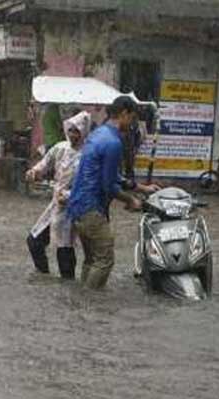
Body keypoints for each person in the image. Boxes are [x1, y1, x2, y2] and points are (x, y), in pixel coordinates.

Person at [66, 96, 159, 289]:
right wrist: (131, 200)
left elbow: (112, 175)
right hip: (91, 208)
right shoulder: (114, 143)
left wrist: (141, 188)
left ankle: (81, 303)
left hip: (76, 206)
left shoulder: (98, 134)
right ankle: (90, 302)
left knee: (92, 260)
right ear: (124, 114)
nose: (133, 124)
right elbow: (109, 186)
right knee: (105, 259)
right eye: (133, 118)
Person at [26, 111, 92, 279]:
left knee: (65, 248)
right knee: (34, 240)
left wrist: (69, 195)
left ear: (84, 132)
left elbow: (89, 185)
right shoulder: (60, 147)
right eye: (70, 130)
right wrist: (34, 172)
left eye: (76, 131)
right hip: (55, 204)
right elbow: (45, 163)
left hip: (72, 206)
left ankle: (68, 283)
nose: (72, 135)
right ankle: (43, 275)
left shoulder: (88, 155)